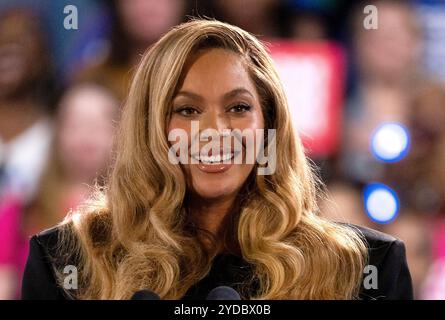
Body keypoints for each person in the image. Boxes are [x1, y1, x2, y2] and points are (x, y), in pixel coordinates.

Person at [21, 19, 412, 300]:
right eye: (187, 111)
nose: (214, 131)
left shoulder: (364, 268)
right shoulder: (67, 262)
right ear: (148, 127)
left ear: (269, 124)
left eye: (239, 107)